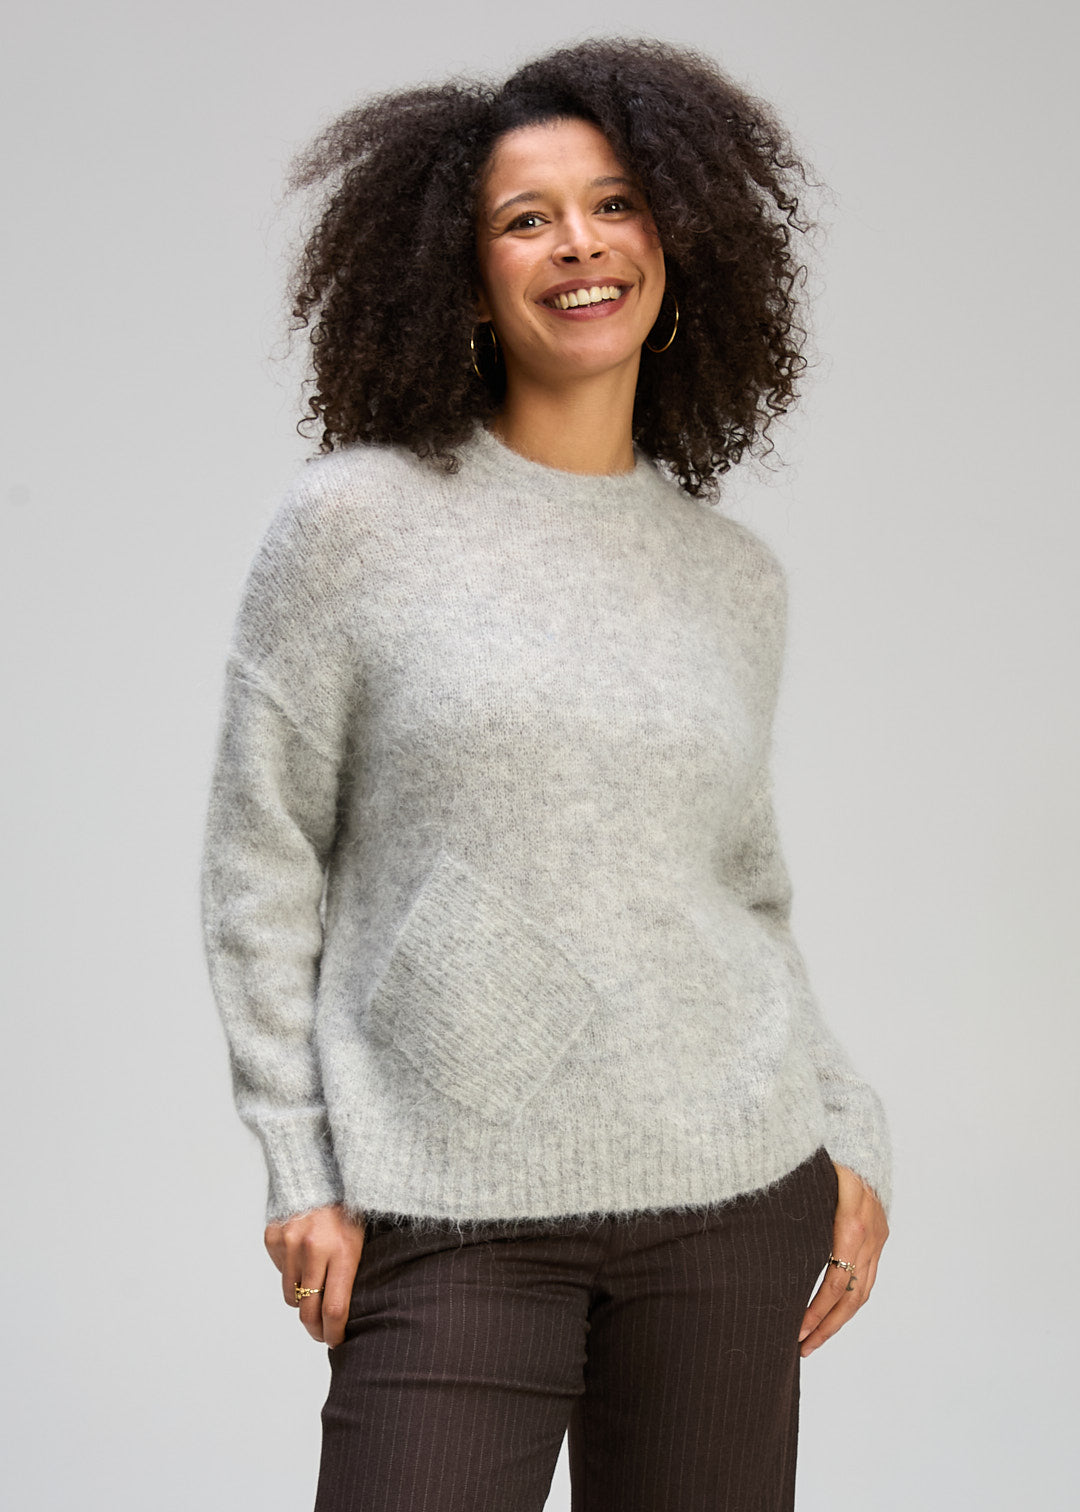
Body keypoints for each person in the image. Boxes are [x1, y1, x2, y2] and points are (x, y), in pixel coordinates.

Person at [199, 35, 891, 1511]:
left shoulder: (733, 576)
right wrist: (298, 1164)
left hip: (730, 1196)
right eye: (527, 219)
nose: (579, 242)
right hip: (449, 1195)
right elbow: (262, 858)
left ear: (675, 243)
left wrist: (851, 1132)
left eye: (615, 204)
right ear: (465, 276)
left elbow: (746, 889)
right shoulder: (352, 528)